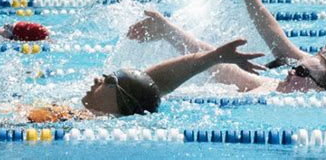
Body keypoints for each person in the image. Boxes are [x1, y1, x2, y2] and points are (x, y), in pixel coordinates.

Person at [127, 0, 326, 94]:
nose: (291, 70)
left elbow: (221, 67)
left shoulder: (277, 92)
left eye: (300, 72)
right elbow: (275, 37)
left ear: (317, 89)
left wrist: (169, 31)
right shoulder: (275, 86)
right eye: (297, 67)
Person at [27, 38, 265, 122]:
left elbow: (145, 86)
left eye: (109, 80)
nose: (98, 79)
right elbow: (153, 83)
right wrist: (212, 57)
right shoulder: (124, 107)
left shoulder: (73, 121)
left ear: (122, 101)